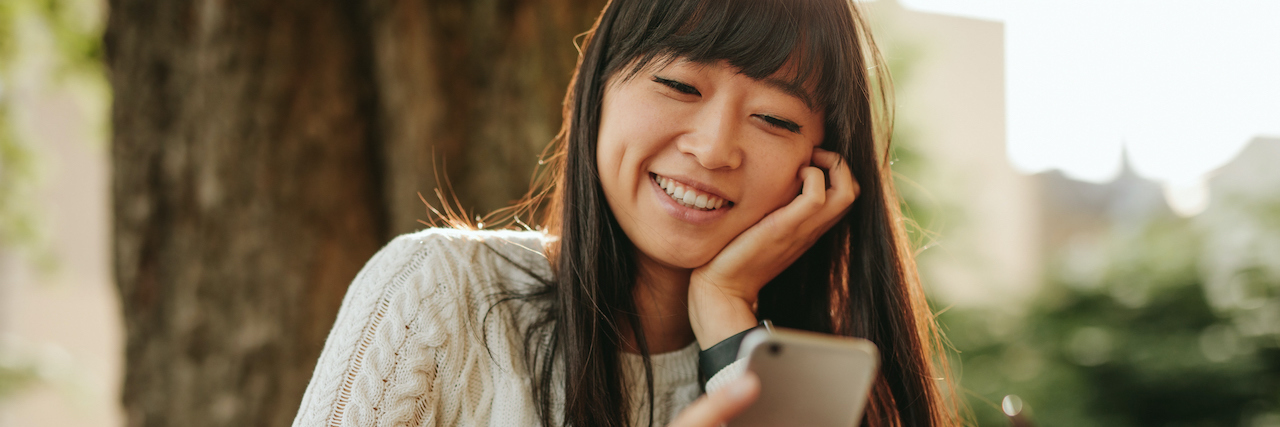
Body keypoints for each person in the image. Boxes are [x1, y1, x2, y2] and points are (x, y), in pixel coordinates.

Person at [292, 0, 958, 426]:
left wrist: (727, 310)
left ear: (822, 165)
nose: (714, 147)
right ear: (598, 91)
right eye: (678, 84)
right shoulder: (441, 291)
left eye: (774, 118)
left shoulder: (818, 383)